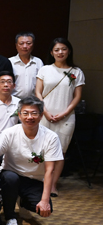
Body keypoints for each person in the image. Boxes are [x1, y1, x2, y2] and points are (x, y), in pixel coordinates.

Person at [0, 96, 63, 225]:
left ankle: (22, 202)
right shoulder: (9, 133)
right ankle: (10, 217)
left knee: (44, 210)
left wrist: (45, 200)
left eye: (34, 113)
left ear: (41, 115)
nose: (29, 117)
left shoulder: (51, 137)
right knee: (10, 178)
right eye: (25, 113)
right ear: (19, 115)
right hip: (11, 176)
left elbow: (49, 170)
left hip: (34, 180)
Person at [35, 38, 85, 196]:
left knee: (60, 153)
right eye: (56, 50)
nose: (60, 52)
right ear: (51, 52)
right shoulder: (45, 69)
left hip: (66, 118)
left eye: (63, 49)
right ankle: (39, 182)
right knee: (41, 150)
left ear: (69, 51)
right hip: (44, 115)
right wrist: (45, 111)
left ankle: (52, 185)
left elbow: (77, 96)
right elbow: (38, 92)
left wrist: (64, 113)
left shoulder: (76, 72)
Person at [9, 32, 43, 99]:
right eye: (21, 43)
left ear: (33, 45)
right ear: (16, 45)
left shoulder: (38, 62)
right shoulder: (10, 62)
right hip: (14, 100)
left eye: (28, 43)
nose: (25, 46)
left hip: (33, 100)